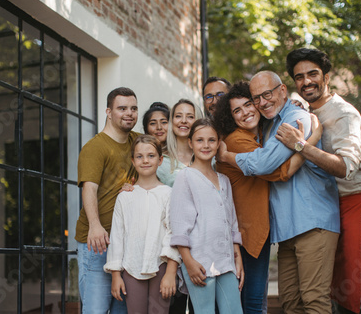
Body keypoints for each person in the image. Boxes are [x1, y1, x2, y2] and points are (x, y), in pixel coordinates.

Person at [276, 48, 361, 314]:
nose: (306, 82)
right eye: (300, 77)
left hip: (360, 208)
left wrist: (301, 144)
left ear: (326, 76)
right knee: (334, 295)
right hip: (329, 211)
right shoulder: (304, 112)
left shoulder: (344, 114)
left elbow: (345, 168)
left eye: (313, 74)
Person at [218, 71, 340, 313]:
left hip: (310, 221)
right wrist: (311, 139)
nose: (260, 104)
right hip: (269, 229)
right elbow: (275, 170)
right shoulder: (255, 132)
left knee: (311, 300)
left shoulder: (291, 118)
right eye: (257, 98)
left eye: (265, 95)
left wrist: (308, 139)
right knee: (285, 302)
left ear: (282, 91)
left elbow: (265, 165)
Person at [75, 87, 139, 314]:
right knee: (96, 310)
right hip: (97, 242)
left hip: (126, 245)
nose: (129, 113)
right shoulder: (95, 147)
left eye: (133, 108)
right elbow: (89, 190)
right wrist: (94, 226)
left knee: (122, 311)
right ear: (108, 112)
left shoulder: (138, 143)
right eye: (122, 108)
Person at [170, 118, 244, 314]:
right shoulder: (185, 177)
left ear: (219, 143)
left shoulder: (224, 180)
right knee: (204, 312)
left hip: (225, 260)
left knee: (234, 310)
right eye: (199, 140)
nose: (205, 145)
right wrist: (188, 262)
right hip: (199, 261)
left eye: (211, 140)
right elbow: (178, 226)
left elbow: (232, 221)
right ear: (190, 143)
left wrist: (237, 257)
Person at [104, 135, 180, 314]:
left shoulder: (168, 194)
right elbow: (117, 236)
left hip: (161, 265)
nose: (145, 160)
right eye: (139, 156)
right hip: (132, 266)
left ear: (160, 160)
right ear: (132, 160)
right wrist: (116, 275)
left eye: (151, 156)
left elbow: (173, 233)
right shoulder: (125, 196)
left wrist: (170, 272)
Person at [157, 99, 203, 187]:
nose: (184, 121)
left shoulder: (209, 158)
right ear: (171, 121)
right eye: (178, 116)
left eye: (190, 117)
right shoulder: (160, 162)